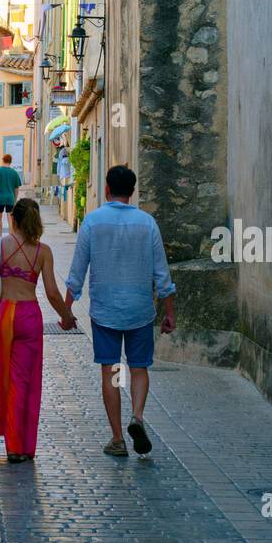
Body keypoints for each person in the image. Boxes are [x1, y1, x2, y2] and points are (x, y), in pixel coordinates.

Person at [64, 164, 176, 458]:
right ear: (133, 191)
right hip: (140, 309)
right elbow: (162, 274)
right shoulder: (148, 223)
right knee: (139, 368)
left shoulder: (92, 222)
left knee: (111, 370)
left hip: (105, 310)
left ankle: (117, 438)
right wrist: (169, 313)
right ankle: (137, 417)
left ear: (107, 189)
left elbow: (77, 271)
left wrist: (66, 309)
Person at [0, 198, 74, 463]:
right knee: (25, 382)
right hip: (29, 314)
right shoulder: (43, 251)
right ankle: (24, 445)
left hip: (2, 315)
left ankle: (12, 444)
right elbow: (51, 292)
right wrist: (66, 316)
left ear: (12, 219)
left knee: (5, 380)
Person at [0, 152, 23, 237]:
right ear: (10, 162)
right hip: (10, 198)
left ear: (3, 160)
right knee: (10, 218)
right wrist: (15, 200)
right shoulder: (14, 173)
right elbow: (16, 188)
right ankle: (10, 236)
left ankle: (0, 236)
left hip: (0, 198)